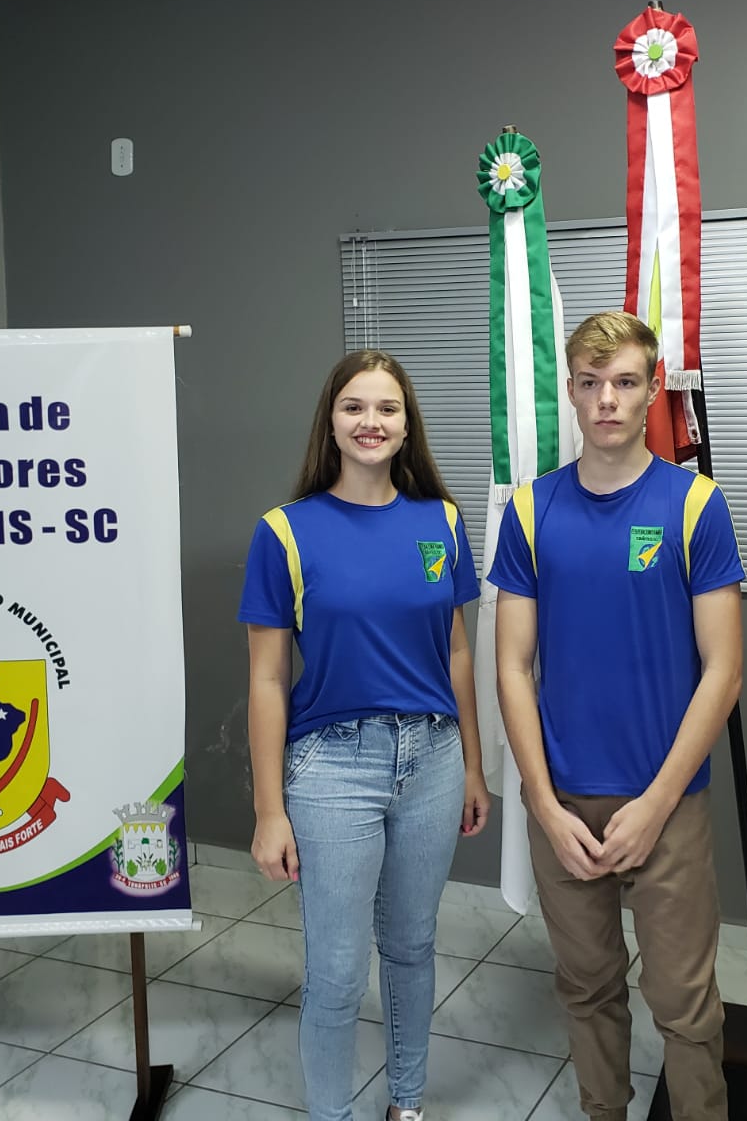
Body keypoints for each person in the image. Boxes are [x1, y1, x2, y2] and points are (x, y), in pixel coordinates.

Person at [490, 310, 744, 1121]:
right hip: (563, 802)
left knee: (684, 1001)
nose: (608, 399)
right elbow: (512, 666)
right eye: (592, 383)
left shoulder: (695, 505)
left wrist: (658, 803)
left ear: (652, 389)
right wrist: (540, 800)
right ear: (570, 391)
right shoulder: (530, 511)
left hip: (666, 802)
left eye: (626, 382)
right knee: (588, 985)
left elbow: (724, 670)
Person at [239, 349, 491, 1121]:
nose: (370, 422)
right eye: (354, 406)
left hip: (433, 759)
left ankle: (406, 1104)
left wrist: (473, 767)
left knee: (412, 948)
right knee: (339, 972)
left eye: (387, 408)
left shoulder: (441, 522)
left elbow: (456, 652)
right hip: (331, 769)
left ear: (408, 425)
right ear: (331, 421)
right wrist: (270, 810)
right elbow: (267, 681)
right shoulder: (285, 532)